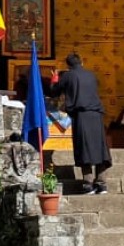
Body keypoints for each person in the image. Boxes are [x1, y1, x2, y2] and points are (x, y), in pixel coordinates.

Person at [46, 53, 111, 194]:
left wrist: (55, 77)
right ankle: (101, 183)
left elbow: (54, 91)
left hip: (82, 115)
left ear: (68, 65)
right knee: (99, 148)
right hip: (96, 114)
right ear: (81, 62)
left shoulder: (68, 76)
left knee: (84, 148)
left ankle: (88, 183)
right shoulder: (91, 75)